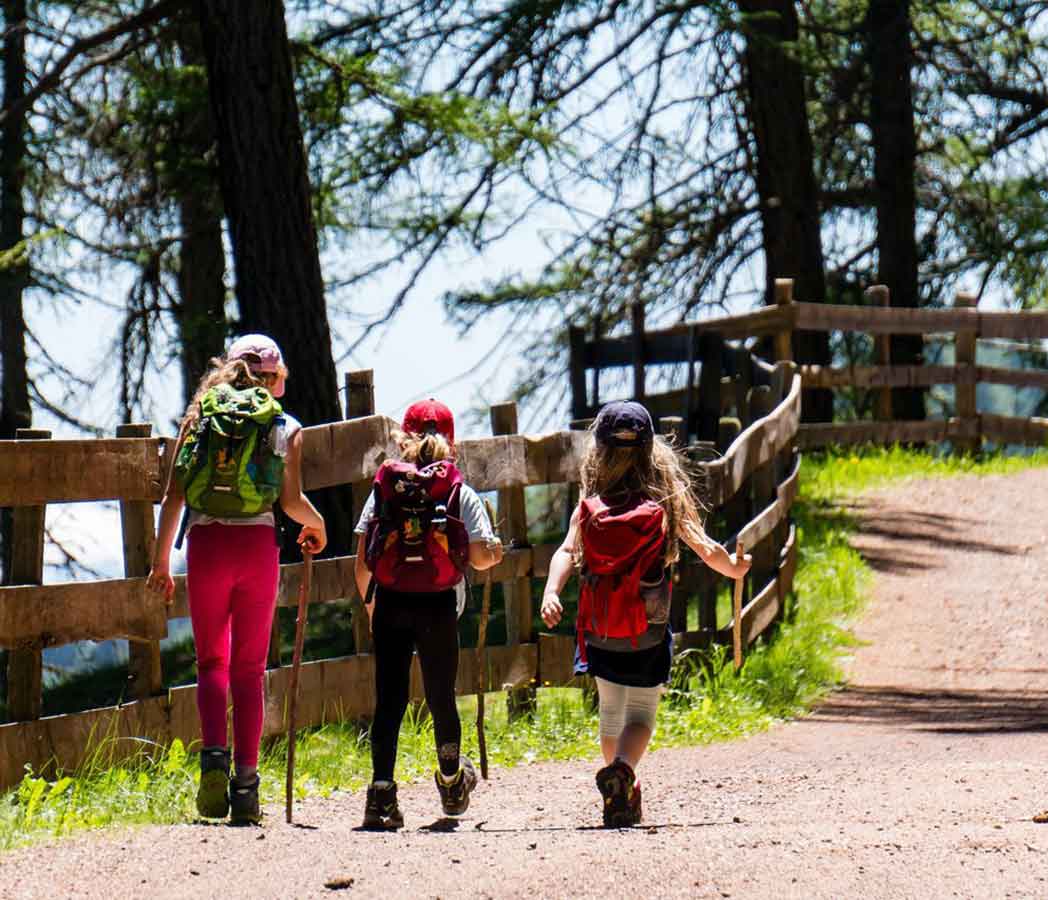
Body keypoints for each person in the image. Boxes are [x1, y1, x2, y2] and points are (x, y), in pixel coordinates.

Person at [540, 400, 751, 828]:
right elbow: (703, 545)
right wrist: (733, 567)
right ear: (651, 448)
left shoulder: (591, 499)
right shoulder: (664, 497)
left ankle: (620, 788)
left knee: (611, 712)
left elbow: (566, 550)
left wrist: (551, 590)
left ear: (597, 450)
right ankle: (623, 772)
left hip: (600, 630)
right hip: (648, 630)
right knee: (640, 715)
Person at [147, 335, 328, 825]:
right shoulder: (285, 425)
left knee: (211, 663)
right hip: (256, 550)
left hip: (206, 546)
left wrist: (161, 562)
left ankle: (212, 761)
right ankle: (246, 787)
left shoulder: (200, 417)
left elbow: (174, 497)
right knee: (249, 670)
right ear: (275, 378)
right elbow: (290, 502)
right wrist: (317, 525)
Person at [354, 399, 503, 830]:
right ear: (451, 441)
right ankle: (453, 783)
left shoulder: (385, 489)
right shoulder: (459, 491)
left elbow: (363, 558)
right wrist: (494, 552)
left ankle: (381, 795)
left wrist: (371, 605)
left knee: (390, 701)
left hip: (391, 601)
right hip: (438, 605)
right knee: (441, 697)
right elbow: (477, 557)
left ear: (403, 438)